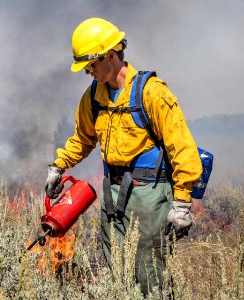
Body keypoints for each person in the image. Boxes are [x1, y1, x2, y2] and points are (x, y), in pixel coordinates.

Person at [45, 18, 202, 295]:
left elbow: (182, 147)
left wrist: (181, 203)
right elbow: (83, 138)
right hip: (113, 193)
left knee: (150, 271)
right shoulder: (93, 97)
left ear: (110, 55)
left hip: (149, 194)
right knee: (118, 269)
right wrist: (59, 165)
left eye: (91, 65)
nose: (88, 73)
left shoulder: (151, 92)